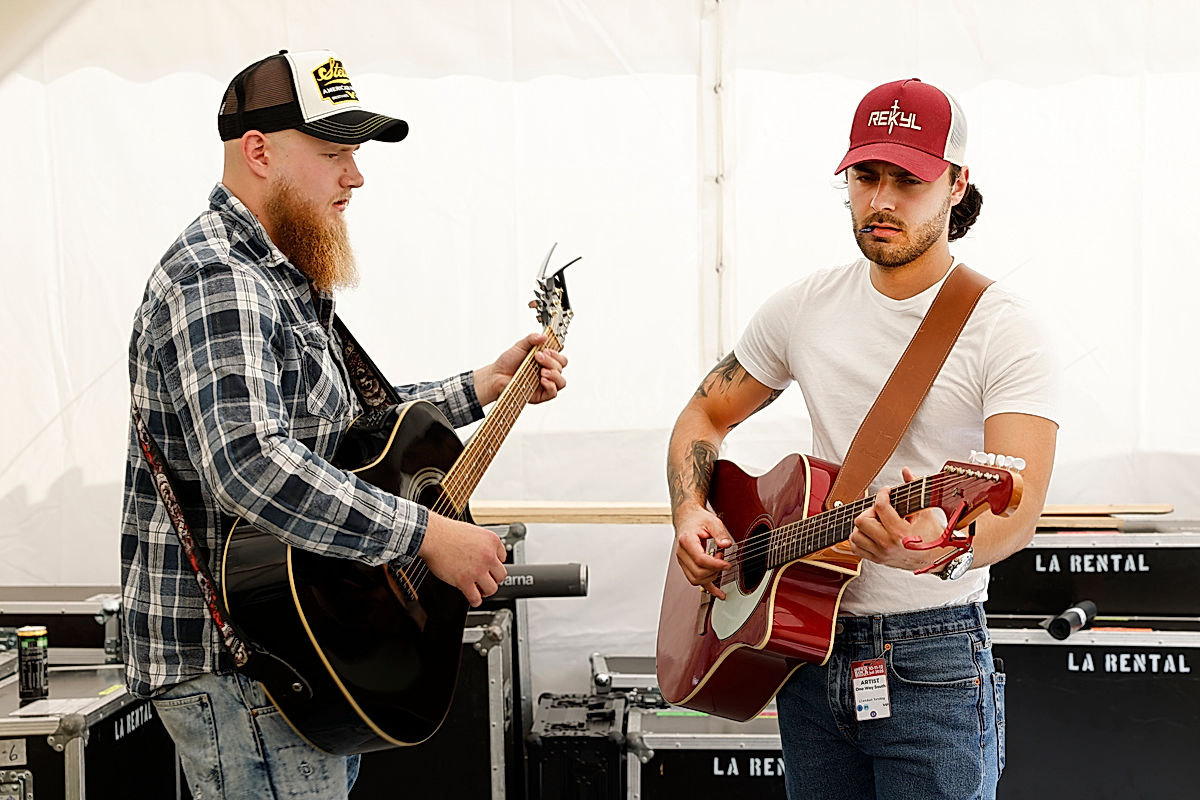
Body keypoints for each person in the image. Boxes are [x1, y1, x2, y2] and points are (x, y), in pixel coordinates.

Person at [121, 49, 568, 799]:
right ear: (258, 151)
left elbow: (348, 437)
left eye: (355, 155)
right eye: (333, 154)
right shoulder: (219, 275)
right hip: (244, 666)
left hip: (287, 663)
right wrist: (427, 534)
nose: (355, 177)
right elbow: (250, 464)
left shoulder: (275, 274)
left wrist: (480, 386)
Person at [665, 78, 1058, 799]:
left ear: (957, 184)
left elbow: (1017, 509)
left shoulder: (1005, 327)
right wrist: (693, 510)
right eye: (866, 176)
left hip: (931, 659)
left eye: (908, 180)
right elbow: (702, 418)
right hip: (803, 650)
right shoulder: (801, 308)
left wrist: (943, 549)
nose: (880, 200)